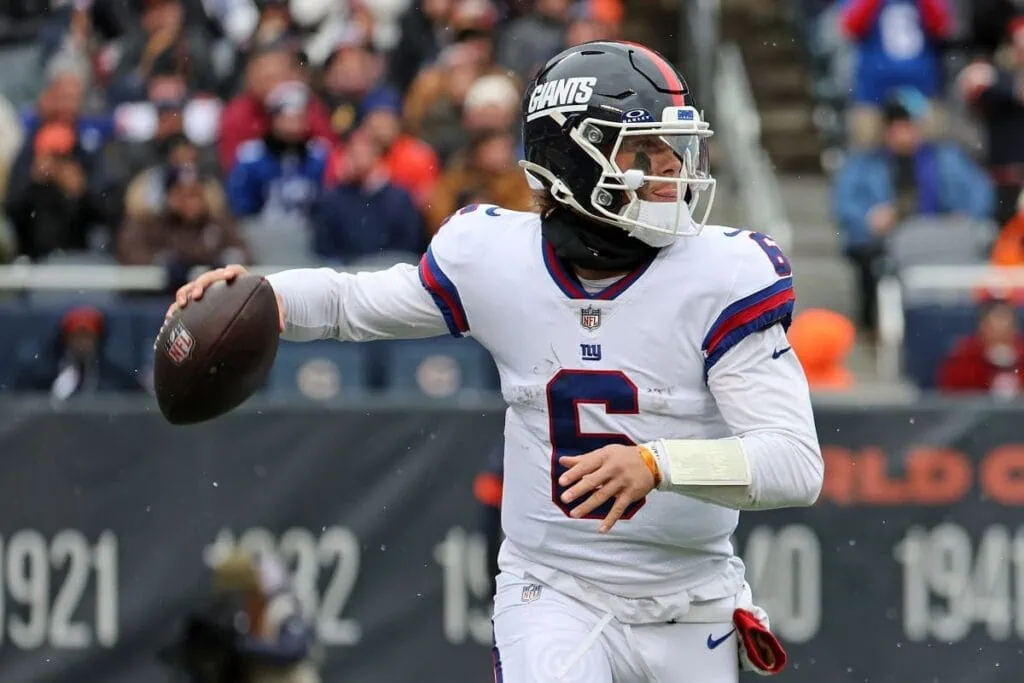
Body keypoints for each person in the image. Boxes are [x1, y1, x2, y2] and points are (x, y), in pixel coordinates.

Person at [167, 41, 823, 683]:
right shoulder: (496, 258)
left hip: (693, 598)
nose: (670, 171)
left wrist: (658, 463)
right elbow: (351, 302)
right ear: (574, 160)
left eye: (673, 150)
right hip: (556, 591)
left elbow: (795, 463)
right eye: (643, 152)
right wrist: (259, 296)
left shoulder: (723, 275)